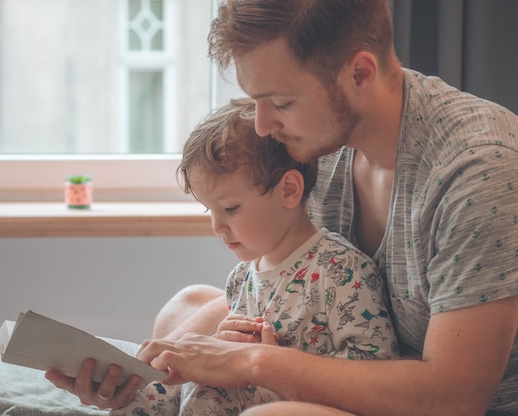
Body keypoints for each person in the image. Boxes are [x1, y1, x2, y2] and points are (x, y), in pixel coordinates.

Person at [48, 1, 518, 415]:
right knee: (186, 309)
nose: (263, 124)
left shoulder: (477, 171)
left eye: (280, 103)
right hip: (335, 349)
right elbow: (280, 288)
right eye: (257, 101)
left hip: (434, 401)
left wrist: (254, 362)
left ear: (359, 74)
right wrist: (138, 380)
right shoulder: (318, 135)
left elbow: (454, 398)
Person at [106, 98, 398, 416]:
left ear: (288, 190)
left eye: (230, 208)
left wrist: (276, 365)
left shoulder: (340, 270)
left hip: (292, 406)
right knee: (138, 401)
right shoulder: (242, 276)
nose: (217, 226)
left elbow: (376, 367)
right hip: (228, 399)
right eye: (210, 210)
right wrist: (219, 346)